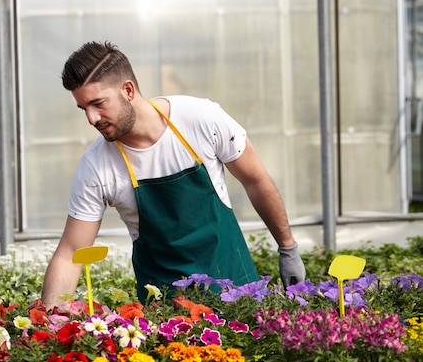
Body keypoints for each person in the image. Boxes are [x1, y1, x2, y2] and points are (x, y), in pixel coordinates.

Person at [41, 41, 305, 307]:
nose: (91, 118)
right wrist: (51, 319)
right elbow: (71, 252)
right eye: (84, 108)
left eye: (98, 104)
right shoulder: (96, 166)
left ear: (128, 90)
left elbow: (255, 180)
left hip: (236, 293)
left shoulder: (200, 119)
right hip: (165, 312)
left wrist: (288, 248)